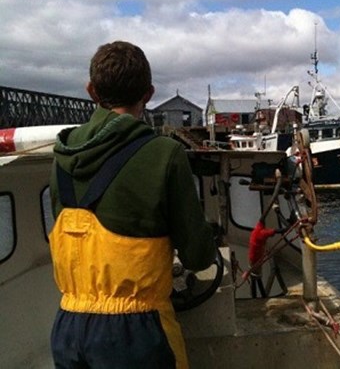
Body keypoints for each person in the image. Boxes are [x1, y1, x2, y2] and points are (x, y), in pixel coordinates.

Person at [49, 40, 216, 369]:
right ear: (149, 94)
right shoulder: (164, 154)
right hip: (136, 334)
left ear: (91, 91)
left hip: (68, 328)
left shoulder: (61, 157)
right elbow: (198, 257)